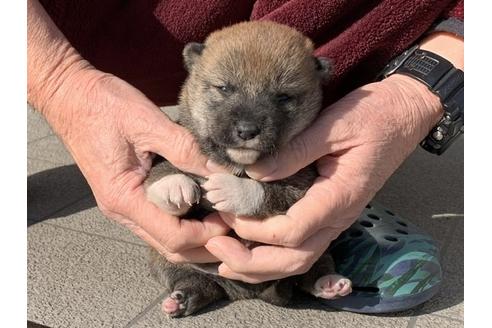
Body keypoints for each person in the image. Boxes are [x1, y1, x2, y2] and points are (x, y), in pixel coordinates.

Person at [28, 0, 463, 283]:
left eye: (284, 99)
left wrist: (423, 89)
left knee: (297, 197)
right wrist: (57, 79)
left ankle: (341, 192)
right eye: (224, 92)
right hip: (63, 26)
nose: (249, 125)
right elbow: (166, 168)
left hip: (331, 27)